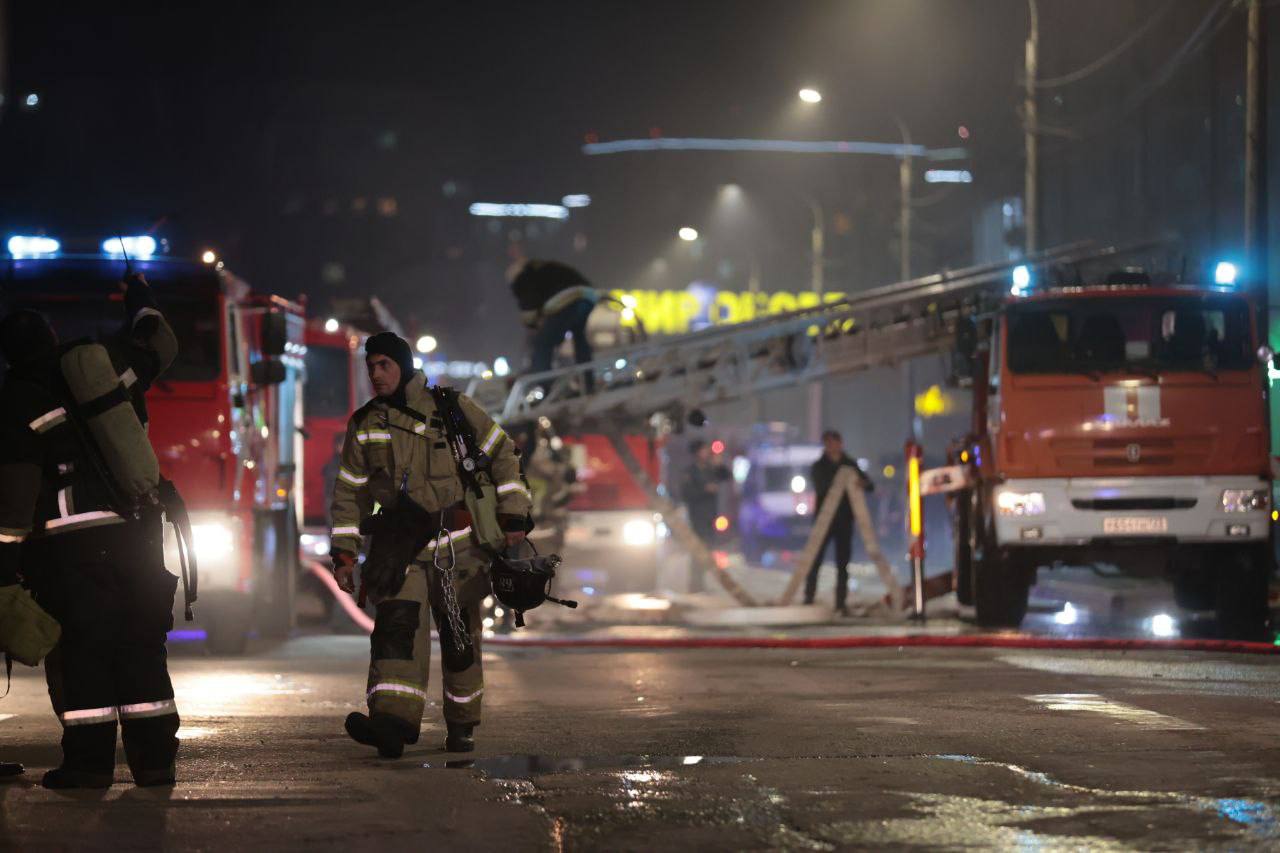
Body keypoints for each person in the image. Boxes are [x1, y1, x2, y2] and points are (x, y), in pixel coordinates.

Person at [0, 274, 181, 789]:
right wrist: (141, 299)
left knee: (84, 652)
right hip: (137, 537)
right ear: (54, 338)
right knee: (142, 644)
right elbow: (162, 344)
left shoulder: (17, 400)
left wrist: (5, 562)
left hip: (70, 549)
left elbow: (14, 496)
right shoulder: (104, 370)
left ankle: (89, 764)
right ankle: (154, 763)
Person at [330, 332, 532, 758]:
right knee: (396, 632)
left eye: (384, 365)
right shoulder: (366, 423)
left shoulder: (452, 410)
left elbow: (503, 455)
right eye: (371, 367)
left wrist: (514, 513)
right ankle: (392, 723)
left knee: (460, 641)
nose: (376, 374)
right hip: (400, 549)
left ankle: (462, 724)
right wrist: (344, 551)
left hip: (459, 549)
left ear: (402, 366)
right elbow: (349, 492)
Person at [804, 430, 874, 617]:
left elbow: (870, 485)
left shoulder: (849, 464)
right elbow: (821, 486)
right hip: (824, 521)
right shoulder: (819, 466)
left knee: (842, 563)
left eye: (834, 442)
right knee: (815, 560)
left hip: (844, 521)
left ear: (840, 443)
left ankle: (840, 602)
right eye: (828, 443)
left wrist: (861, 483)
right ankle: (808, 597)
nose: (832, 446)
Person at [509, 260, 598, 376]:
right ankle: (588, 382)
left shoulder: (523, 278)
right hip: (588, 295)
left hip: (566, 298)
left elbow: (529, 307)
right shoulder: (542, 268)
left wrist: (532, 325)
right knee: (579, 337)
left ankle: (542, 385)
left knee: (542, 343)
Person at [682, 440, 724, 594]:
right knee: (698, 550)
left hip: (710, 516)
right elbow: (686, 494)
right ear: (697, 453)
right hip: (697, 516)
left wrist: (719, 465)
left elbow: (726, 476)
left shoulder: (710, 469)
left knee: (708, 550)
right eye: (704, 450)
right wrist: (705, 489)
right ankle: (695, 583)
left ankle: (702, 583)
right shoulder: (690, 472)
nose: (707, 452)